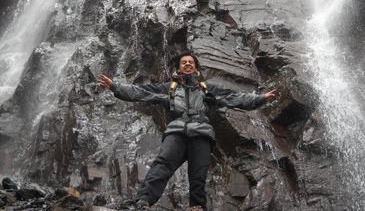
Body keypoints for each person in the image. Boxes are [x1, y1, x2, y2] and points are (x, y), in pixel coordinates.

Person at [98, 52, 276, 210]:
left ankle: (196, 207)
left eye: (191, 62)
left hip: (202, 134)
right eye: (184, 62)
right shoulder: (169, 88)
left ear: (196, 67)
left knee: (198, 174)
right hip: (176, 132)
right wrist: (115, 87)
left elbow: (234, 97)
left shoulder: (207, 89)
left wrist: (260, 98)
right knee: (162, 164)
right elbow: (141, 92)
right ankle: (142, 202)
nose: (188, 64)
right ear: (179, 68)